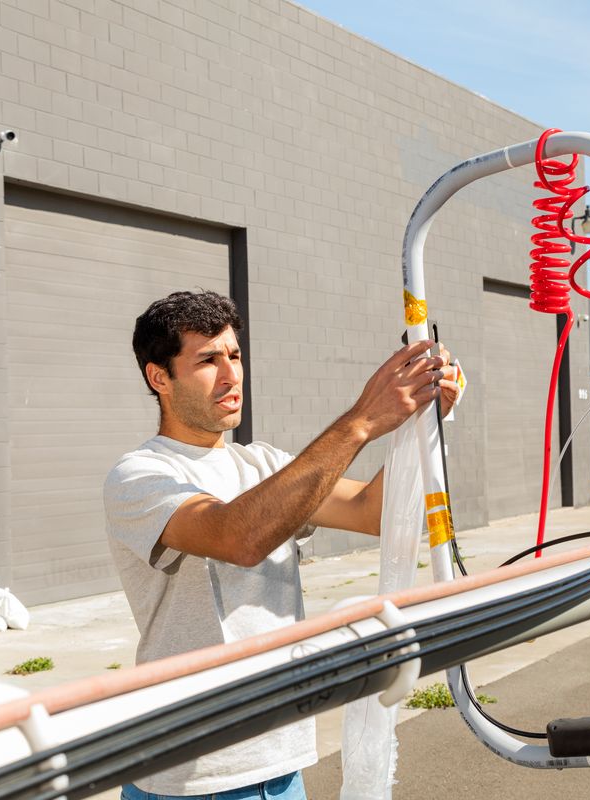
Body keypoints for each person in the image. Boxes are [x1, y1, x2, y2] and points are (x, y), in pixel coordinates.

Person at [104, 290, 459, 800]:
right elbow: (239, 536)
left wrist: (431, 419)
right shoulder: (140, 476)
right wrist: (361, 420)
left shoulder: (263, 465)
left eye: (235, 355)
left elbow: (373, 512)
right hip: (193, 773)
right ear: (159, 377)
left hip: (280, 763)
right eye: (207, 360)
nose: (231, 376)